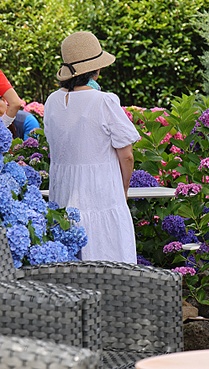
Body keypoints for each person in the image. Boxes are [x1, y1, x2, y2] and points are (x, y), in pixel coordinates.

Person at [43, 31, 139, 263]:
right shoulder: (103, 101)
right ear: (95, 70)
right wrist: (123, 189)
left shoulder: (52, 101)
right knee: (107, 257)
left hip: (63, 193)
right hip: (100, 193)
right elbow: (126, 156)